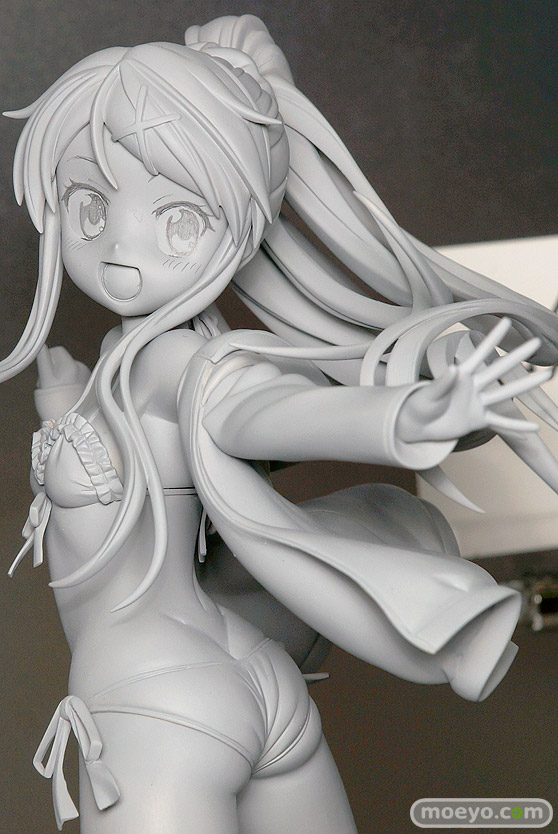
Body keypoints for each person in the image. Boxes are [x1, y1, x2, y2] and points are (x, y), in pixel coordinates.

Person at [3, 14, 558, 833]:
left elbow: (254, 411)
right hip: (247, 673)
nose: (120, 243)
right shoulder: (132, 359)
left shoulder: (177, 363)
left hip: (155, 698)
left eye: (178, 219)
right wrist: (64, 402)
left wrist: (403, 415)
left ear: (240, 224)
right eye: (90, 205)